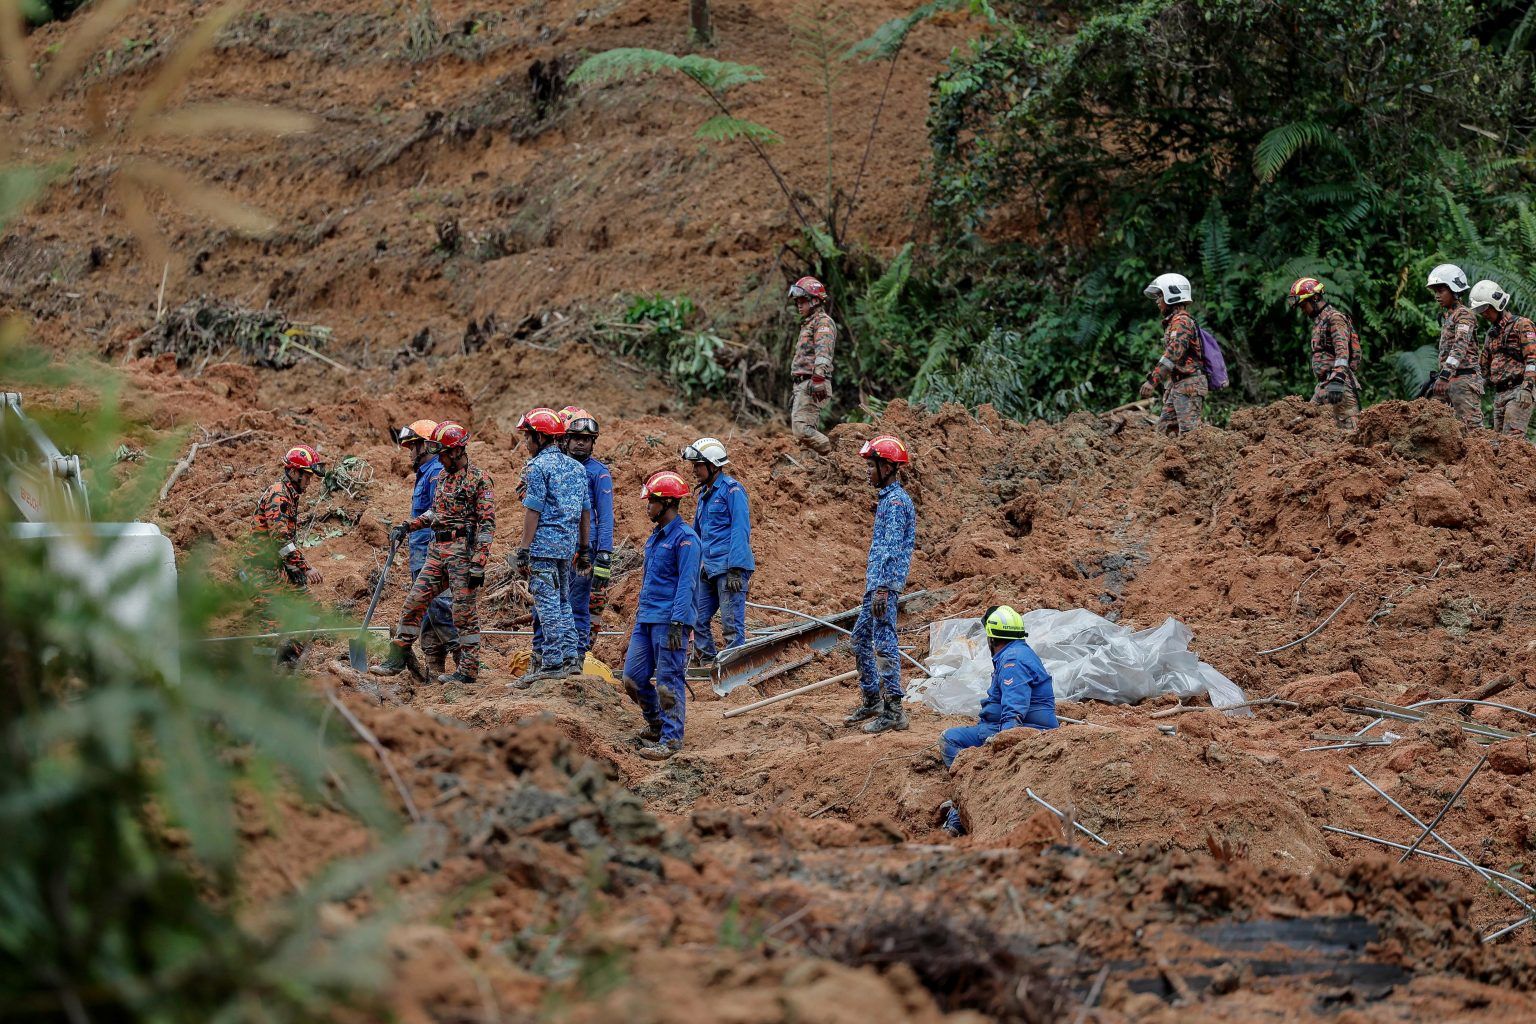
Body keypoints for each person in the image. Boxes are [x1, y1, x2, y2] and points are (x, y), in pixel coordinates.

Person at [371, 422, 493, 685]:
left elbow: (487, 523)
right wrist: (408, 525)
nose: (440, 458)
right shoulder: (442, 478)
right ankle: (398, 657)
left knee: (463, 613)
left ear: (458, 451)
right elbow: (435, 513)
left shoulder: (479, 479)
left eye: (444, 453)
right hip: (437, 552)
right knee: (415, 602)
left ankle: (468, 671)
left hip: (463, 554)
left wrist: (479, 561)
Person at [937, 606, 1058, 837]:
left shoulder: (1012, 660)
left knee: (950, 740)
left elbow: (1014, 709)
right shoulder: (1018, 652)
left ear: (991, 636)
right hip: (1004, 725)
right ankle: (960, 806)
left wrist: (1001, 744)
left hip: (1026, 729)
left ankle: (963, 805)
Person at [621, 470, 701, 761]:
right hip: (647, 620)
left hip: (670, 622)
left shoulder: (686, 540)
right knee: (632, 678)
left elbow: (687, 584)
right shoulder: (655, 538)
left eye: (652, 502)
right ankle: (656, 723)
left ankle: (671, 739)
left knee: (668, 682)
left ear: (667, 503)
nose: (647, 507)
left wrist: (678, 623)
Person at [511, 407, 591, 686]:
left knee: (547, 604)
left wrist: (523, 549)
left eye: (527, 437)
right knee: (564, 602)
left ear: (541, 437)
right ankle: (570, 658)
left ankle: (553, 661)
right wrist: (584, 548)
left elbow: (533, 511)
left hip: (544, 548)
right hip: (567, 548)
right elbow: (585, 512)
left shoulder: (537, 468)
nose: (525, 443)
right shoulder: (577, 468)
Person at [844, 434, 916, 735]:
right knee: (860, 640)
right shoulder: (888, 500)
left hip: (882, 588)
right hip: (876, 587)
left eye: (871, 465)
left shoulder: (897, 503)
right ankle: (873, 699)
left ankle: (894, 710)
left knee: (884, 643)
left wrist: (883, 588)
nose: (868, 471)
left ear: (887, 467)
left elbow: (891, 547)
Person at [391, 419, 459, 680]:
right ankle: (435, 668)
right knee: (428, 613)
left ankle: (463, 660)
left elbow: (438, 516)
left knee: (439, 605)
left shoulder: (435, 474)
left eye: (413, 447)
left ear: (426, 446)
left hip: (433, 553)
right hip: (419, 552)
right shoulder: (424, 474)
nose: (409, 453)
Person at [682, 436, 754, 664]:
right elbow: (698, 534)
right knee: (696, 618)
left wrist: (736, 567)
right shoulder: (704, 494)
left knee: (731, 626)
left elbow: (740, 529)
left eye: (698, 466)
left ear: (713, 465)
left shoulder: (732, 491)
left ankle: (734, 673)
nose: (694, 471)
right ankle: (709, 663)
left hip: (729, 570)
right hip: (709, 569)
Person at [251, 444, 325, 662]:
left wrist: (295, 571)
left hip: (278, 568)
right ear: (293, 472)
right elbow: (281, 541)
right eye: (307, 476)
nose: (309, 482)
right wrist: (306, 568)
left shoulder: (290, 494)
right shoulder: (279, 496)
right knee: (270, 623)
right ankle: (262, 673)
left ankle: (288, 659)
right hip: (261, 570)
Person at [558, 407, 614, 654]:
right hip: (557, 546)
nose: (581, 444)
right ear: (566, 439)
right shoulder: (556, 467)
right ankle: (557, 652)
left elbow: (605, 516)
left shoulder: (598, 473)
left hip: (584, 551)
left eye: (586, 440)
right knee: (555, 603)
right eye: (577, 438)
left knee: (577, 604)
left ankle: (577, 655)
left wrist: (604, 554)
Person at [1287, 277, 1362, 431]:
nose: (1303, 310)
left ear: (1315, 298)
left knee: (1349, 432)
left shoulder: (1334, 319)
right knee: (1304, 424)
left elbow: (1342, 352)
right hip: (1323, 385)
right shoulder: (1319, 322)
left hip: (1338, 384)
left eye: (1303, 305)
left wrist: (1339, 379)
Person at [1137, 272, 1206, 436]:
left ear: (1171, 296)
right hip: (1178, 385)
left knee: (1190, 436)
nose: (1157, 301)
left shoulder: (1181, 322)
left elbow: (1173, 353)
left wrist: (1153, 380)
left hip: (1188, 385)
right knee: (1165, 432)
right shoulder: (1175, 322)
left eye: (1159, 296)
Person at [1471, 280, 1536, 441]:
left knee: (1512, 440)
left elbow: (1532, 359)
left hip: (1519, 389)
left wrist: (1527, 388)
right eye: (1480, 310)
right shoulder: (1491, 334)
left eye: (1485, 308)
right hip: (1500, 394)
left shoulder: (1522, 325)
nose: (1483, 313)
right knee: (1499, 443)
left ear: (1497, 304)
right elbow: (1483, 368)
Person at [1425, 264, 1483, 429]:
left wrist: (1444, 376)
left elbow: (1460, 345)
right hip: (1449, 379)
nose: (1437, 296)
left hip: (1463, 380)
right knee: (1432, 425)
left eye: (1441, 291)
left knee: (1472, 430)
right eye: (1435, 292)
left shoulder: (1464, 314)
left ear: (1455, 290)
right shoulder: (1448, 316)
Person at [788, 276, 836, 455]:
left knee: (801, 429)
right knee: (805, 442)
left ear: (815, 300)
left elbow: (824, 352)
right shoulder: (808, 323)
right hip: (804, 383)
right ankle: (811, 474)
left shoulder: (822, 322)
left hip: (812, 382)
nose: (799, 305)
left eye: (803, 301)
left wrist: (818, 378)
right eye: (797, 302)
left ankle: (836, 454)